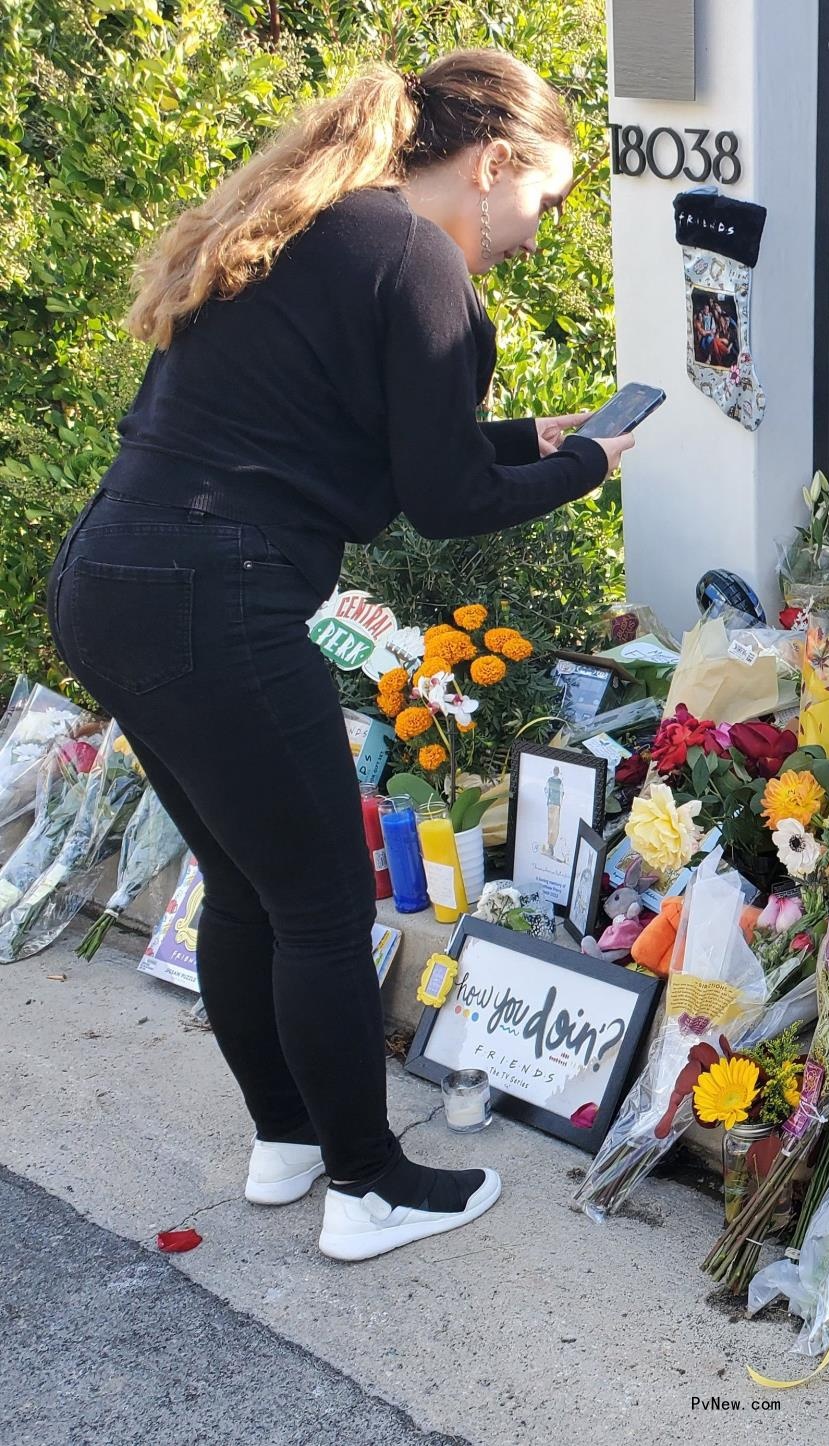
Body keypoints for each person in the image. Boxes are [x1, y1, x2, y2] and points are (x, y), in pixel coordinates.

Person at [46, 49, 636, 1262]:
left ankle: (289, 1139)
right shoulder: (417, 257)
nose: (536, 231)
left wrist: (534, 430)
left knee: (252, 883)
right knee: (321, 903)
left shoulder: (322, 226)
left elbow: (358, 437)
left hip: (112, 575)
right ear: (494, 162)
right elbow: (446, 500)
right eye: (545, 201)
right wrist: (590, 466)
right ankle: (366, 1187)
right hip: (217, 592)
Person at [543, 764, 565, 855]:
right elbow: (561, 793)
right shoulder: (559, 781)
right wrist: (559, 803)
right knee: (554, 824)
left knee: (551, 824)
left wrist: (548, 799)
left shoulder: (552, 780)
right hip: (555, 804)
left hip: (552, 803)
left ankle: (550, 845)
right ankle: (550, 845)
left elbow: (546, 790)